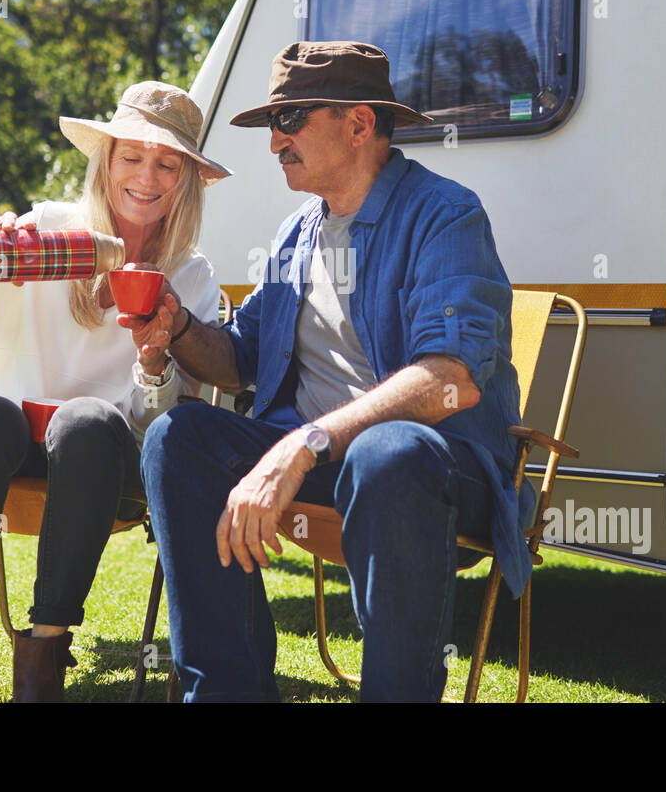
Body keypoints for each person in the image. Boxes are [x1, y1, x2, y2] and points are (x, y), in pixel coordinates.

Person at [123, 41, 534, 702]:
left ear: (360, 124)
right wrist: (179, 330)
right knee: (180, 438)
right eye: (272, 126)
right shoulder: (296, 234)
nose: (273, 143)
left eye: (290, 121)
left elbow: (448, 378)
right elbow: (241, 360)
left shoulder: (445, 215)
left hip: (433, 469)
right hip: (321, 462)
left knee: (388, 449)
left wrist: (304, 444)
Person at [0, 81, 229, 702]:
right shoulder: (48, 230)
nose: (147, 176)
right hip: (2, 444)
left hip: (101, 460)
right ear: (105, 163)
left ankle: (43, 663)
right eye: (131, 157)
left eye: (167, 163)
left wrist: (154, 363)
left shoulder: (189, 274)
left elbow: (163, 422)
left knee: (85, 419)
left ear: (186, 179)